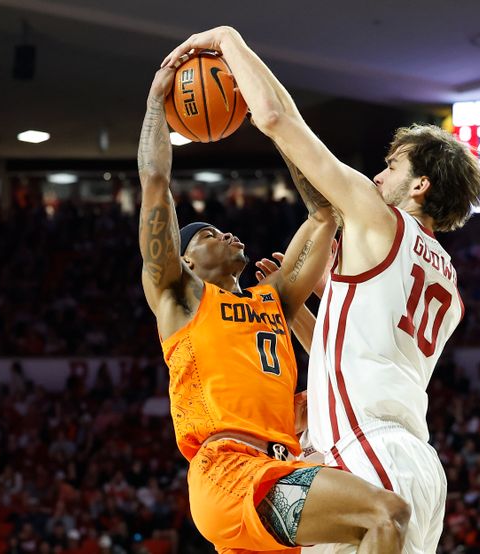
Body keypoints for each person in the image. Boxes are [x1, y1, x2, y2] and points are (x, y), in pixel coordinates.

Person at [163, 26, 480, 553]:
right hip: (416, 466)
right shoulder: (447, 279)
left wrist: (229, 42)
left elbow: (277, 120)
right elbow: (352, 355)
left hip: (365, 451)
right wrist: (297, 317)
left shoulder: (379, 221)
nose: (379, 179)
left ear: (420, 185)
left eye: (392, 168)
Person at [136, 65, 410, 554]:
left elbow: (324, 213)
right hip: (229, 469)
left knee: (377, 525)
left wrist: (276, 125)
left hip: (282, 465)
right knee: (385, 514)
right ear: (185, 261)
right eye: (207, 235)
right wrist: (158, 103)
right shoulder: (180, 298)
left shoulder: (273, 300)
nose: (224, 233)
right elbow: (156, 182)